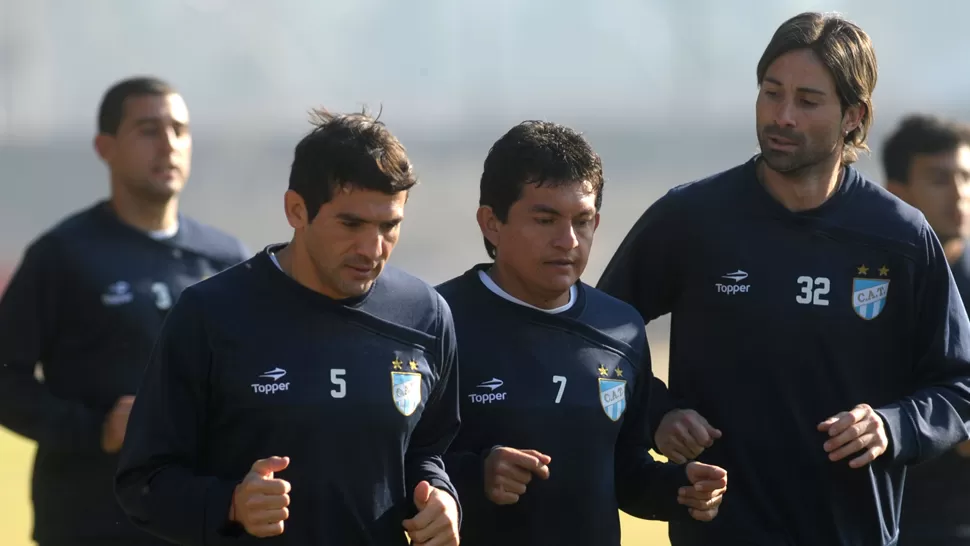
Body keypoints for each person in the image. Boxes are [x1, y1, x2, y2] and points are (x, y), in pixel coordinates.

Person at [596, 12, 970, 546]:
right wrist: (656, 412)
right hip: (719, 533)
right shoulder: (692, 218)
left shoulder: (900, 237)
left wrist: (892, 426)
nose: (782, 116)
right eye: (771, 93)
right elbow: (595, 337)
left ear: (853, 116)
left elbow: (960, 384)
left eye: (808, 101)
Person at [114, 108, 461, 546]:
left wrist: (443, 498)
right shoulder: (210, 314)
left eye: (389, 226)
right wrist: (232, 504)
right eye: (351, 224)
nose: (373, 248)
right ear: (296, 210)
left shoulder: (426, 315)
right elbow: (143, 482)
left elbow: (427, 451)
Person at [437, 120, 728, 546]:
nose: (568, 240)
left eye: (583, 221)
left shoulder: (620, 328)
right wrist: (475, 476)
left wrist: (678, 488)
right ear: (491, 223)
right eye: (545, 219)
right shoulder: (437, 322)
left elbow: (624, 471)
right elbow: (395, 465)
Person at [0, 76, 248, 546]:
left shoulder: (227, 258)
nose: (169, 144)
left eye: (179, 129)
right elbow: (5, 380)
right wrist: (95, 430)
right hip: (88, 522)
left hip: (199, 520)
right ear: (105, 146)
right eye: (148, 130)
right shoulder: (62, 255)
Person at [881, 114, 970, 546]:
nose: (959, 194)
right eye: (939, 179)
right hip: (876, 520)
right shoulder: (868, 287)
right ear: (898, 193)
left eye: (966, 176)